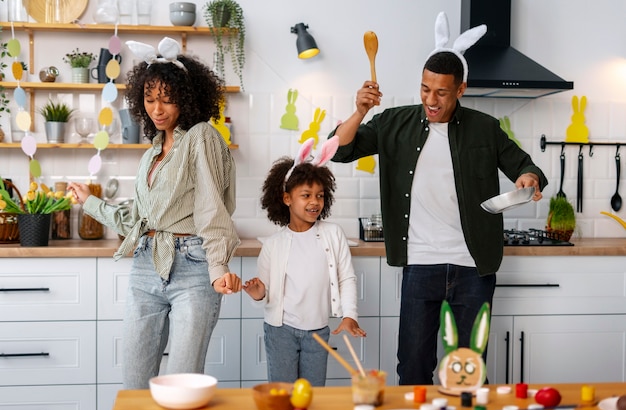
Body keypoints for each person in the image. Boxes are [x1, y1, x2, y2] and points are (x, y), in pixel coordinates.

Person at [329, 13, 548, 385]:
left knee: (467, 368)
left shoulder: (485, 128)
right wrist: (361, 111)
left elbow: (525, 166)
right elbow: (340, 149)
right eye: (425, 89)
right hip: (420, 264)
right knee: (412, 368)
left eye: (441, 92)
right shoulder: (393, 123)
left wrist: (529, 177)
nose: (431, 99)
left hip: (473, 267)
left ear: (460, 90)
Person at [67, 37, 241, 389]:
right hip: (146, 266)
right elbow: (140, 219)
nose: (157, 109)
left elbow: (211, 205)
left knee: (180, 386)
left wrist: (219, 265)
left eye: (167, 99)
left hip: (193, 267)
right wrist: (90, 201)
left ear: (187, 98)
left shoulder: (201, 136)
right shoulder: (153, 152)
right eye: (149, 99)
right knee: (134, 385)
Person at [242, 136, 366, 386]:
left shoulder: (333, 234)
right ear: (287, 198)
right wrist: (257, 293)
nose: (314, 202)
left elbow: (347, 279)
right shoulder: (273, 245)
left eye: (319, 196)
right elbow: (265, 298)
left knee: (313, 393)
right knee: (283, 393)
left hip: (318, 331)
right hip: (280, 332)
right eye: (306, 195)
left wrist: (349, 315)